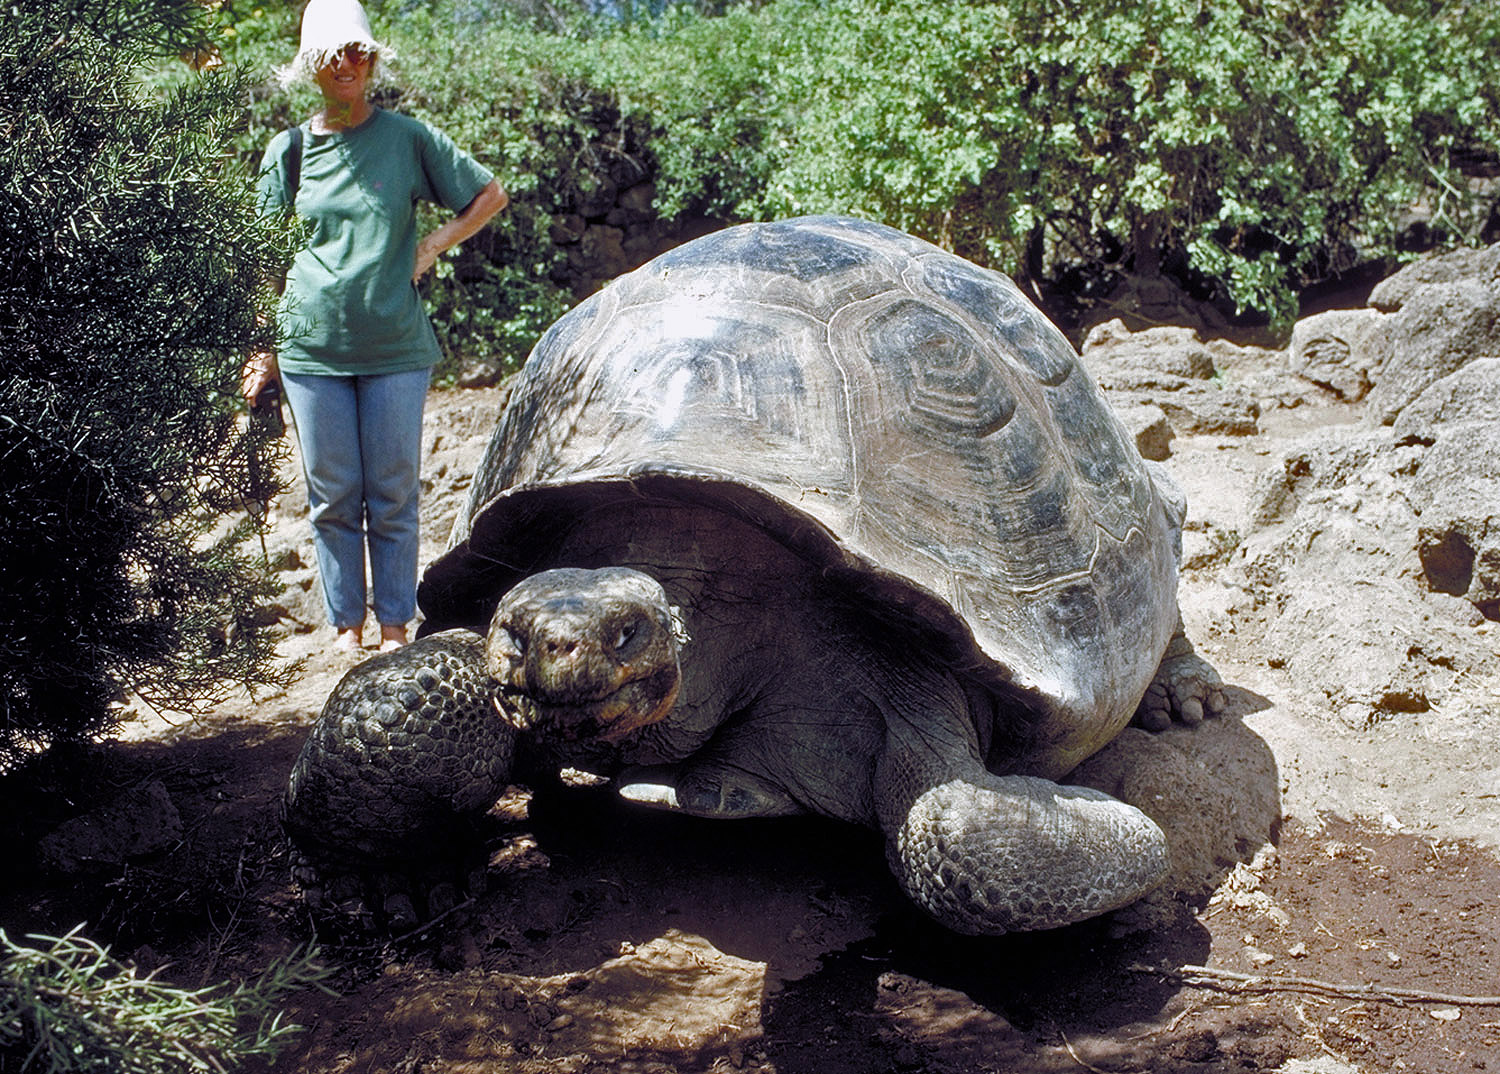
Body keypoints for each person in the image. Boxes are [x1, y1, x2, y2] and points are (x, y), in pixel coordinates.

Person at [243, 0, 508, 655]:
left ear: (373, 58)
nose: (347, 65)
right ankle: (344, 626)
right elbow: (263, 257)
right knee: (331, 495)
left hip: (395, 347)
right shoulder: (291, 151)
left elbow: (488, 194)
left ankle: (394, 625)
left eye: (358, 51)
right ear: (311, 64)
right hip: (309, 349)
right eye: (334, 54)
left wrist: (434, 244)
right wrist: (260, 350)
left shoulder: (408, 139)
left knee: (392, 491)